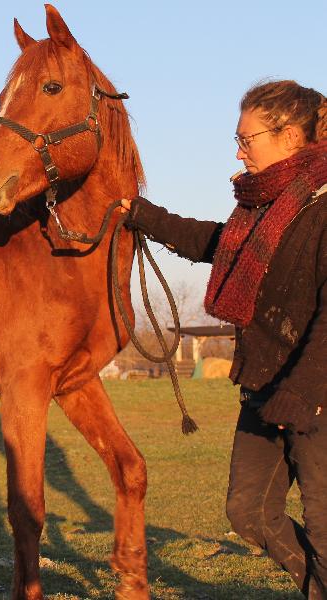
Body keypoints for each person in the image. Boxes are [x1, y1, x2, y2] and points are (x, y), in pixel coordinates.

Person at [122, 80, 326, 598]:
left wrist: (301, 394)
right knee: (249, 513)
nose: (238, 150)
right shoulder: (262, 208)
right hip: (264, 385)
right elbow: (219, 246)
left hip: (316, 396)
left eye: (246, 137)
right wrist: (143, 216)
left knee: (326, 532)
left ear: (288, 136)